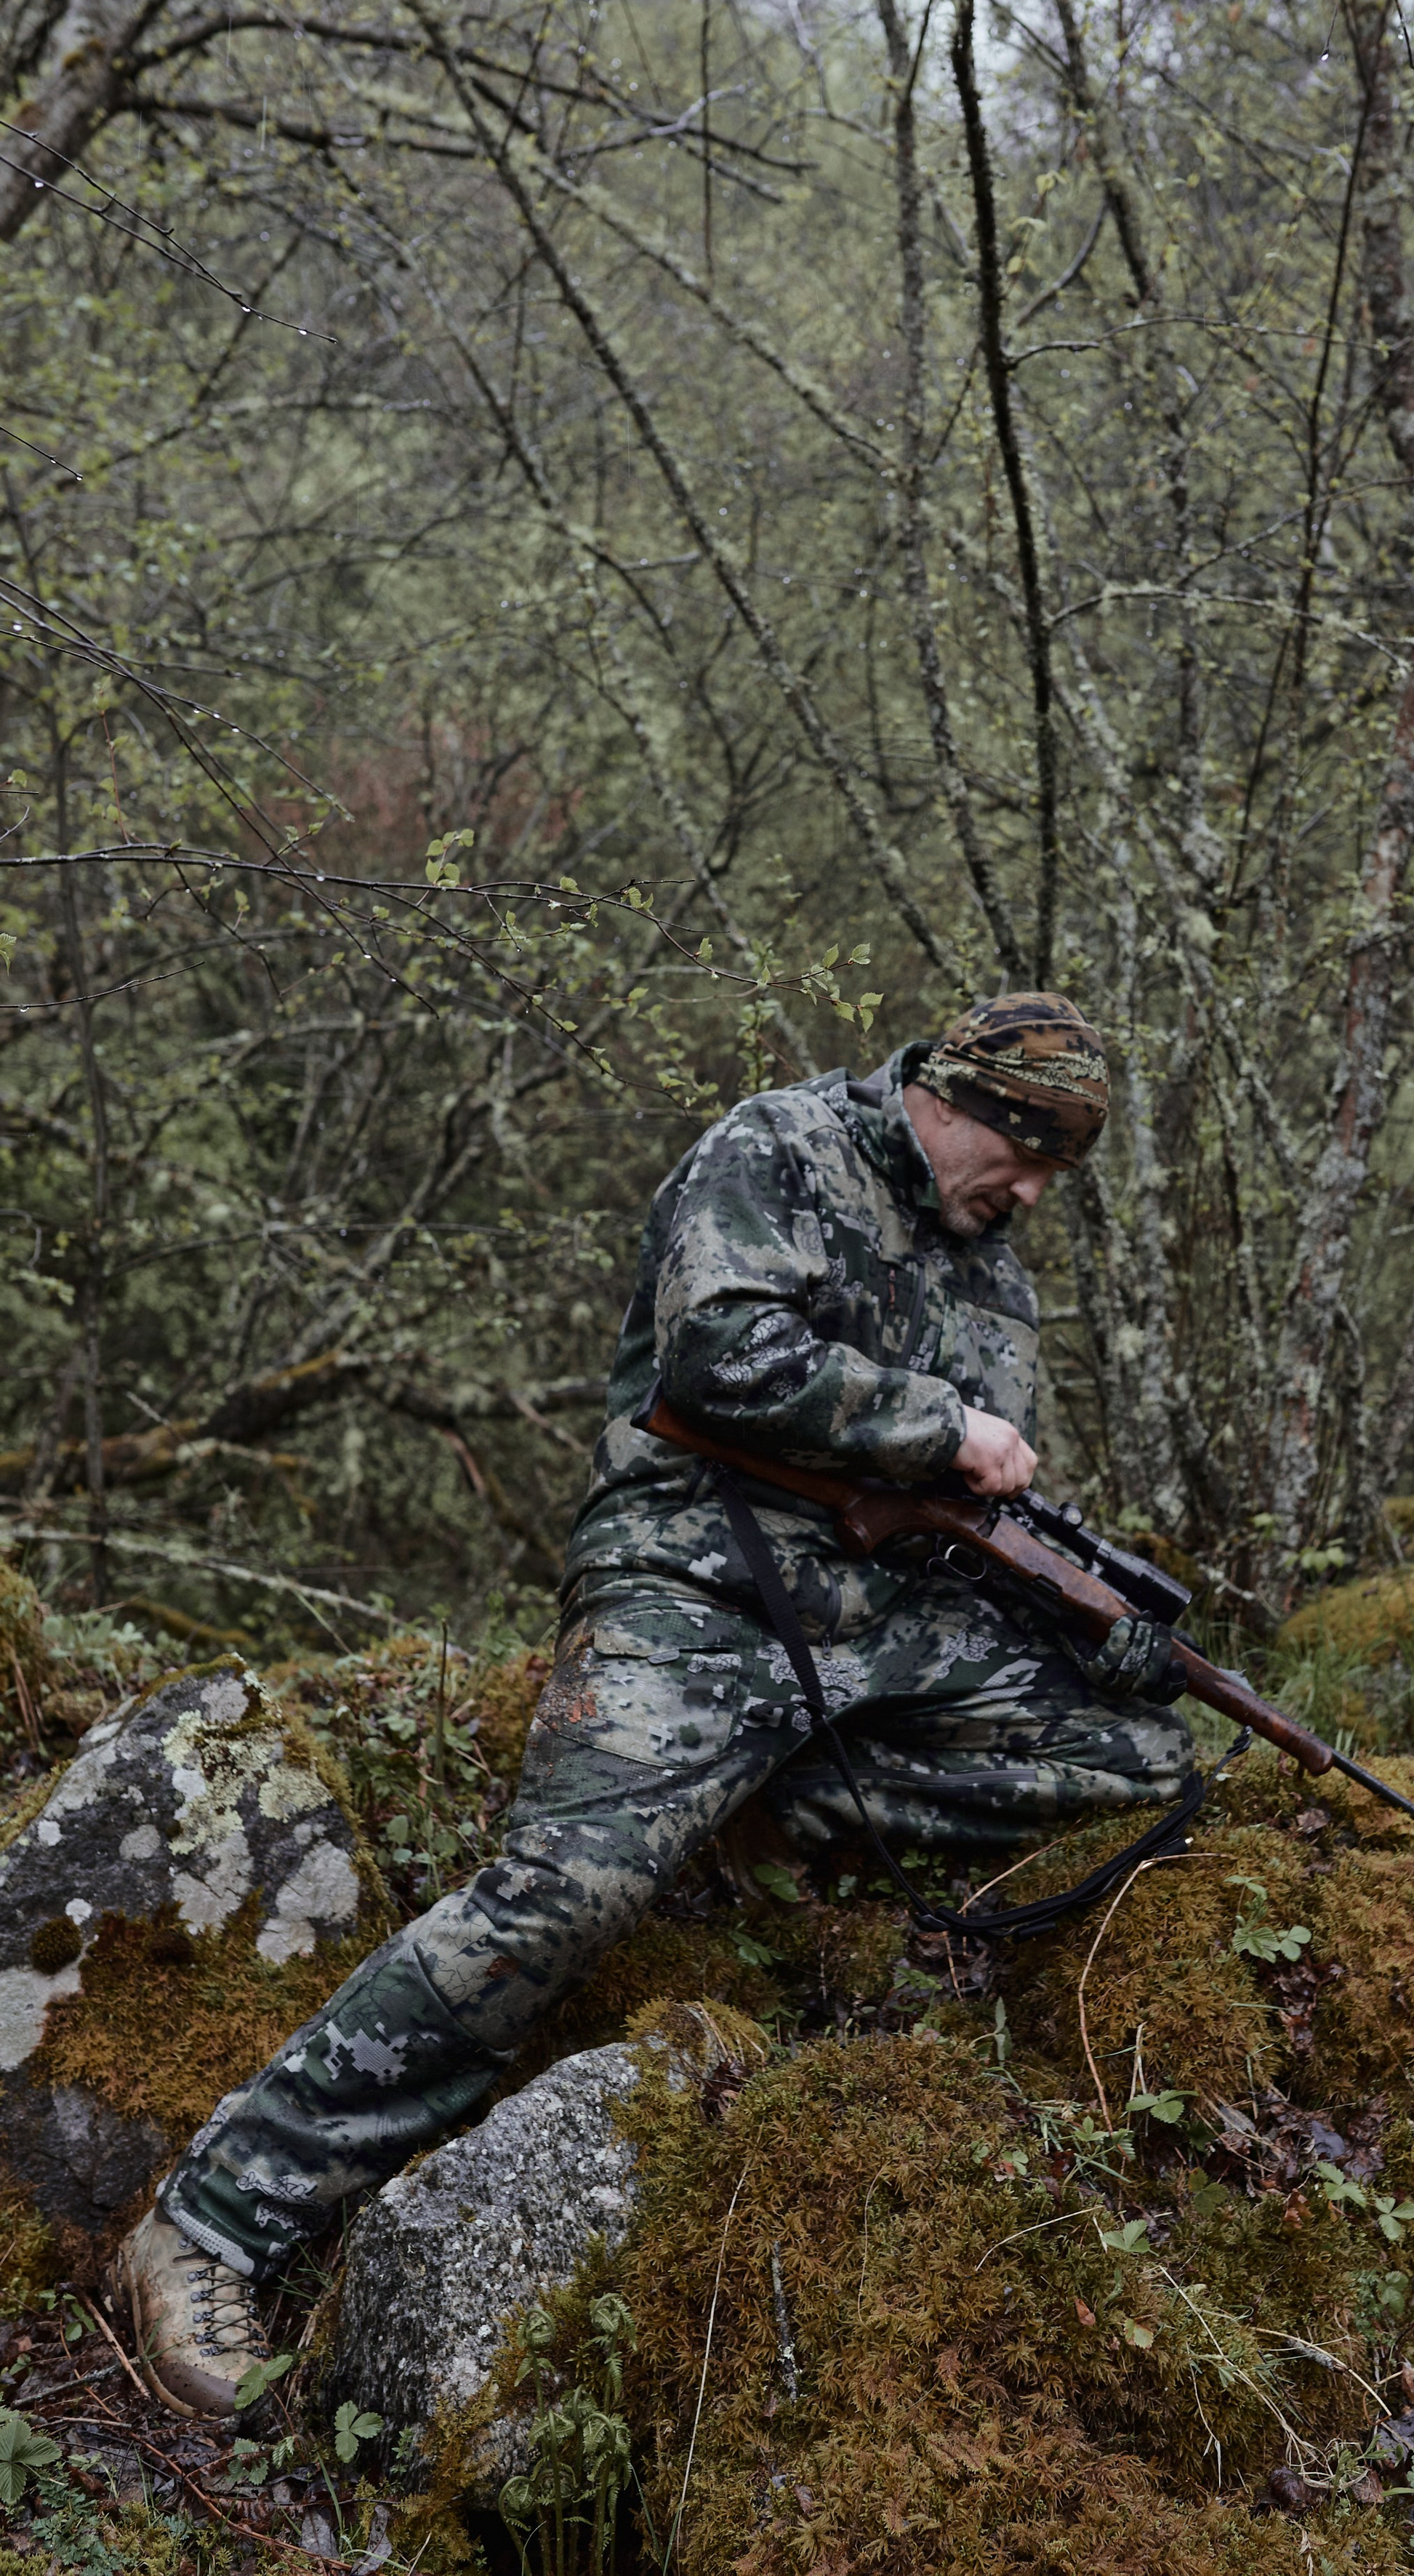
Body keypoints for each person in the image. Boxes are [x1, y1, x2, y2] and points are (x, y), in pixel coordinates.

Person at [113, 993, 1193, 2412]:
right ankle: (211, 2222)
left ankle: (766, 1791)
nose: (1036, 1188)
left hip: (884, 1635)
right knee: (562, 1897)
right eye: (1029, 1148)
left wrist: (1087, 1615)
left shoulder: (991, 1268)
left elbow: (956, 1511)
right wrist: (946, 1425)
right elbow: (722, 1358)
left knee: (1138, 1760)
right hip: (695, 1590)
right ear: (953, 1100)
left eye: (1061, 1163)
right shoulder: (784, 1147)